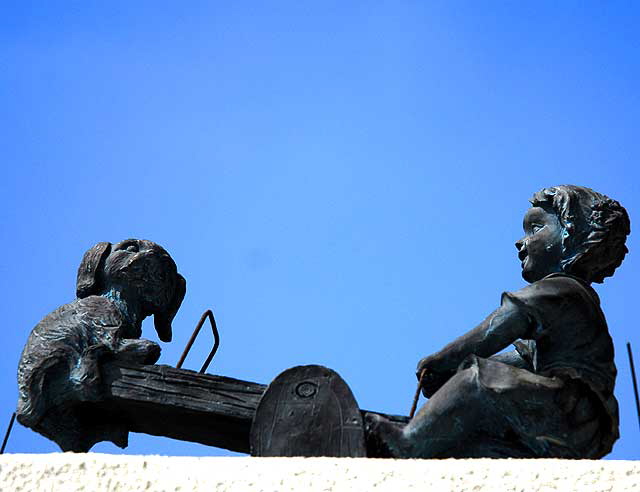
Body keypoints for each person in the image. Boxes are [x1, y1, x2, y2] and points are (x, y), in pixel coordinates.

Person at [366, 185, 630, 459]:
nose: (521, 241)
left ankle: (405, 443)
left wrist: (443, 360)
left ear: (571, 237)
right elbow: (522, 363)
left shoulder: (561, 290)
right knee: (479, 417)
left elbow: (497, 328)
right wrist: (451, 374)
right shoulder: (575, 302)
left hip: (567, 409)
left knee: (477, 381)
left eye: (535, 228)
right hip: (578, 424)